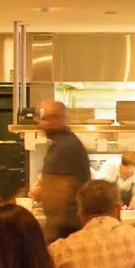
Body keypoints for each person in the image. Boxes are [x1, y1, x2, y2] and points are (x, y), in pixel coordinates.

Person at [33, 100, 92, 242]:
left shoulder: (66, 147)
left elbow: (60, 192)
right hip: (64, 227)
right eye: (41, 119)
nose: (41, 124)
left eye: (46, 118)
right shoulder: (61, 144)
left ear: (60, 118)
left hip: (65, 229)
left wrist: (41, 192)